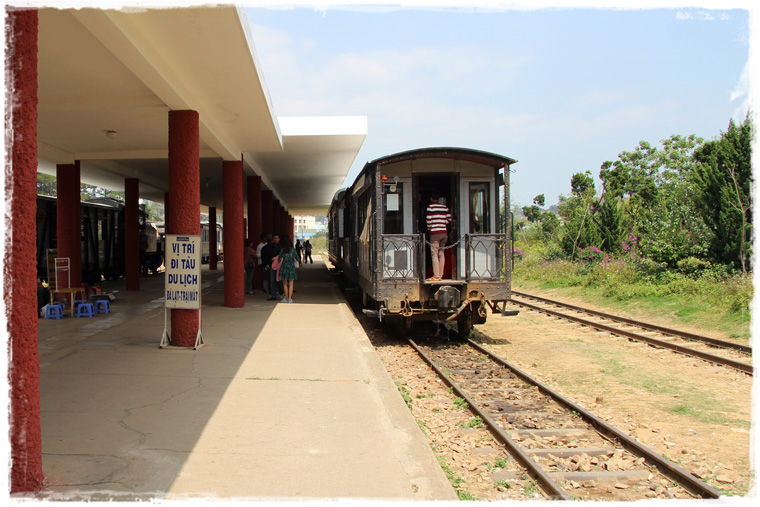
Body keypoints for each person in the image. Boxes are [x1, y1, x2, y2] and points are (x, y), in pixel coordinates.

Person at [425, 193, 452, 282]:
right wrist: (442, 223)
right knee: (441, 254)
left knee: (434, 254)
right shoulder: (444, 207)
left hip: (435, 233)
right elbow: (449, 219)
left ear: (431, 198)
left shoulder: (431, 207)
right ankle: (441, 275)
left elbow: (429, 220)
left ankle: (436, 276)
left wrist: (430, 228)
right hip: (444, 233)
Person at [276, 236, 298, 303]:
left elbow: (279, 259)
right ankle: (290, 299)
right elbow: (297, 258)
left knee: (285, 284)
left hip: (284, 268)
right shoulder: (293, 250)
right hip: (291, 268)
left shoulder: (282, 250)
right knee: (291, 284)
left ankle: (286, 298)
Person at [260, 233, 281, 301]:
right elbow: (267, 257)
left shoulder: (281, 247)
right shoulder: (269, 247)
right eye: (274, 238)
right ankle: (273, 295)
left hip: (280, 266)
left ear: (279, 239)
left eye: (277, 238)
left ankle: (282, 293)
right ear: (272, 239)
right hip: (272, 265)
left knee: (280, 281)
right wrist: (267, 264)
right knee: (272, 281)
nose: (276, 239)